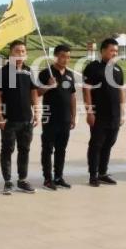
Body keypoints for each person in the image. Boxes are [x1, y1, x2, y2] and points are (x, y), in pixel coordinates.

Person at [0, 40, 39, 195]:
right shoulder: (3, 72)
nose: (20, 54)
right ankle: (8, 181)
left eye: (23, 51)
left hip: (27, 119)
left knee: (24, 149)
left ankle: (22, 180)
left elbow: (34, 93)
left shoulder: (29, 71)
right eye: (17, 51)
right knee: (7, 149)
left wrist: (37, 112)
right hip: (9, 119)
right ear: (11, 53)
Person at [83, 37, 124, 187]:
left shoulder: (118, 69)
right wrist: (89, 112)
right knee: (96, 144)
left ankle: (103, 173)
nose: (115, 53)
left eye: (116, 51)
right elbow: (86, 90)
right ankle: (93, 175)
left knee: (109, 143)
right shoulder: (93, 68)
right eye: (112, 50)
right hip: (99, 114)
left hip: (115, 114)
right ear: (103, 51)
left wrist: (122, 112)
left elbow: (120, 91)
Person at [37, 44, 76, 190]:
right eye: (62, 56)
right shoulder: (45, 73)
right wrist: (48, 86)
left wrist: (73, 116)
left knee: (61, 149)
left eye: (68, 57)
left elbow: (72, 96)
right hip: (50, 116)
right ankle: (47, 179)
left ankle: (58, 177)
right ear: (56, 56)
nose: (65, 59)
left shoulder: (69, 74)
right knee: (47, 148)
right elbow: (37, 93)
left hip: (65, 118)